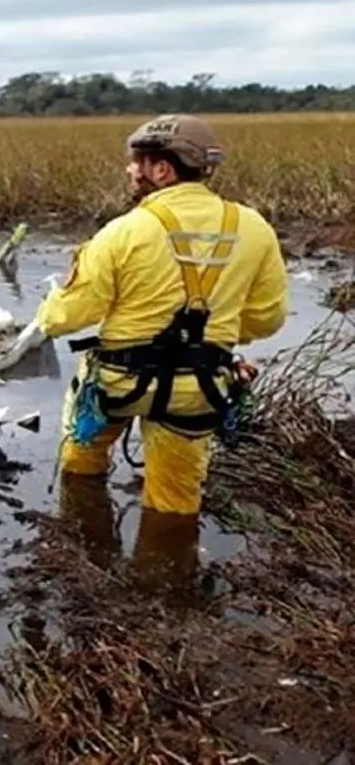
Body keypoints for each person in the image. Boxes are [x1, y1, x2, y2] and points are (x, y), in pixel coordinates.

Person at [35, 114, 288, 523]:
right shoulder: (255, 228)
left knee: (80, 458)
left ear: (162, 169)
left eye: (137, 161)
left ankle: (82, 535)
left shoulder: (122, 231)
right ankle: (165, 574)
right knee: (175, 501)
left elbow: (65, 318)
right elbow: (266, 319)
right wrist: (212, 336)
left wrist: (49, 306)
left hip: (119, 384)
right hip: (199, 387)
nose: (130, 169)